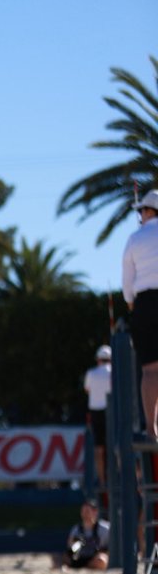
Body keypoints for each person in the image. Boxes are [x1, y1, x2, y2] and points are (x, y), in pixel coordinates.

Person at [122, 188, 158, 438]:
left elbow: (127, 281)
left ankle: (151, 428)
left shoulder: (135, 239)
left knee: (150, 371)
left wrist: (131, 303)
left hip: (144, 303)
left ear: (147, 211)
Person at [83, 345, 112, 492]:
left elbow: (87, 389)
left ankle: (102, 480)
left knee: (98, 448)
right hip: (111, 411)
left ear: (98, 359)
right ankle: (120, 476)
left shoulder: (91, 373)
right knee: (115, 445)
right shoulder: (113, 372)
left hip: (95, 412)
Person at [63, 498, 110, 570]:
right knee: (61, 558)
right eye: (83, 511)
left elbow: (109, 548)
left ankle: (86, 567)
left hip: (94, 558)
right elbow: (70, 547)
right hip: (79, 558)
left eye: (87, 511)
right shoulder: (76, 529)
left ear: (95, 512)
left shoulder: (104, 528)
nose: (85, 514)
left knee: (102, 560)